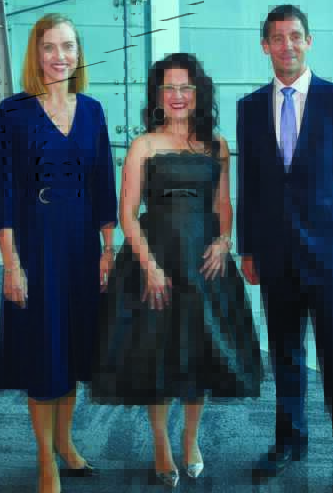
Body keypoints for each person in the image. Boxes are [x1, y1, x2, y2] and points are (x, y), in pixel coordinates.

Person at [92, 53, 262, 487]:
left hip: (203, 264)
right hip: (155, 260)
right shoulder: (143, 145)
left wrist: (224, 241)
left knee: (198, 354)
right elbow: (128, 214)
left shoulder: (216, 145)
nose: (178, 95)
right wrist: (149, 265)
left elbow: (223, 204)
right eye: (169, 87)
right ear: (157, 95)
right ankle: (160, 444)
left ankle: (190, 440)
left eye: (186, 87)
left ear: (199, 93)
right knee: (157, 355)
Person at [236, 5, 333, 493]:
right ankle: (290, 440)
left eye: (295, 36)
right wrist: (249, 249)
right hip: (274, 256)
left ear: (309, 41)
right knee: (285, 355)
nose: (287, 46)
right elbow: (250, 184)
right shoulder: (249, 108)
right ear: (265, 46)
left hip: (325, 255)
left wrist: (331, 217)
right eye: (277, 38)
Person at [0, 13, 117, 493]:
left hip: (81, 245)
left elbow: (103, 184)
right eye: (50, 47)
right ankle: (45, 459)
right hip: (36, 246)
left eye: (68, 46)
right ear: (36, 54)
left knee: (74, 349)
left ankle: (65, 441)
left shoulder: (93, 111)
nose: (60, 56)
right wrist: (11, 264)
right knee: (44, 352)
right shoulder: (13, 112)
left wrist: (107, 249)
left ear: (79, 54)